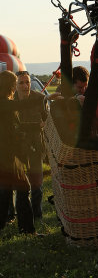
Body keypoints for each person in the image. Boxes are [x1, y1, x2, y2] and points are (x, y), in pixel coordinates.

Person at [0, 71, 44, 235]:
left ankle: (11, 227)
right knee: (22, 188)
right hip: (7, 157)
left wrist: (35, 126)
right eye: (15, 84)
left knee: (5, 192)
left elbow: (17, 127)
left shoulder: (5, 104)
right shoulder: (3, 104)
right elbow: (19, 105)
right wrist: (43, 99)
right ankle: (27, 230)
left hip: (8, 157)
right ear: (10, 86)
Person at [14, 71, 48, 219]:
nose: (25, 86)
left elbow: (47, 121)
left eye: (27, 82)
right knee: (15, 185)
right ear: (15, 86)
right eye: (21, 83)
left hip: (36, 146)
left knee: (37, 185)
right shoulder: (10, 101)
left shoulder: (40, 98)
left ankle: (37, 216)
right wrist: (36, 125)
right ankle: (13, 215)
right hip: (16, 148)